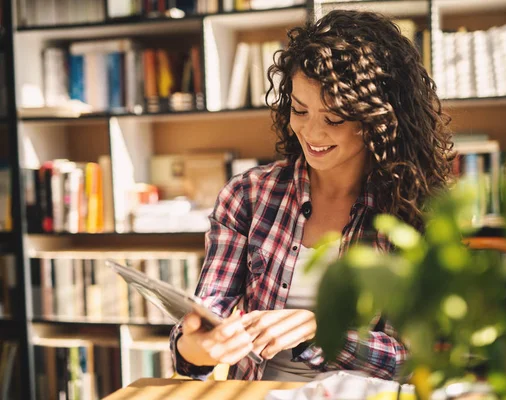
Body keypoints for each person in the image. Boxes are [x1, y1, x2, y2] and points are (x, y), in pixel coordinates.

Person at [170, 9, 452, 381]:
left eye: (334, 119)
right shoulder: (248, 195)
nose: (312, 133)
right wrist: (197, 346)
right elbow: (201, 325)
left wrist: (321, 333)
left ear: (379, 120)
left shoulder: (415, 211)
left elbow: (418, 359)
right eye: (299, 110)